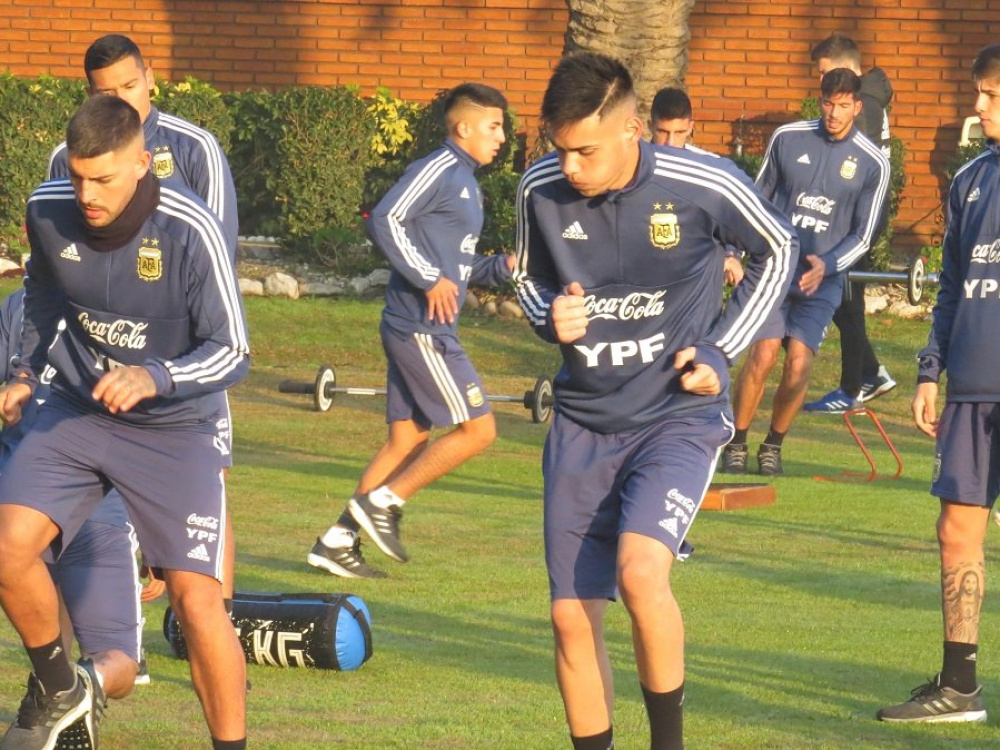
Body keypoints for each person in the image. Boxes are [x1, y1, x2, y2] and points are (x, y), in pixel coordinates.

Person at [515, 52, 796, 750]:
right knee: (570, 618)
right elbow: (527, 277)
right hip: (583, 425)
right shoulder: (539, 187)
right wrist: (547, 313)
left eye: (585, 151)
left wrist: (720, 349)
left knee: (641, 575)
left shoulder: (701, 183)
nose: (570, 166)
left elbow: (778, 250)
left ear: (632, 129)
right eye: (560, 148)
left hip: (675, 415)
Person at [0, 95, 249, 750]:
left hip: (173, 425)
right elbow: (42, 295)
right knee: (8, 545)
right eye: (78, 176)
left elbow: (233, 350)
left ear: (143, 164)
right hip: (79, 408)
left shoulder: (190, 229)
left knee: (197, 602)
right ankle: (62, 690)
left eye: (103, 178)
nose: (86, 194)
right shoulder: (48, 207)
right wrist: (25, 372)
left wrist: (154, 376)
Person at [47, 32, 241, 608]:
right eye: (105, 92)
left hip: (182, 355)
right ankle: (110, 624)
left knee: (208, 485)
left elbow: (219, 253)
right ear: (89, 94)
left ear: (150, 79)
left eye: (130, 85)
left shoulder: (194, 147)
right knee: (93, 485)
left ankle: (212, 623)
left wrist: (176, 359)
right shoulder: (67, 159)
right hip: (99, 359)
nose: (121, 100)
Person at [307, 83, 515, 579]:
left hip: (423, 327)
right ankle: (386, 503)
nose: (502, 137)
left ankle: (337, 541)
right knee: (479, 430)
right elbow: (384, 218)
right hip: (422, 329)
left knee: (407, 440)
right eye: (494, 126)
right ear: (462, 127)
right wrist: (428, 278)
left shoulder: (466, 181)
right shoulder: (439, 168)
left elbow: (455, 267)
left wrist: (500, 267)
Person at [875, 43, 1000, 724]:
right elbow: (951, 285)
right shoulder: (969, 180)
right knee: (956, 530)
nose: (978, 107)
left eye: (991, 94)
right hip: (973, 389)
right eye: (978, 92)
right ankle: (960, 687)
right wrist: (930, 371)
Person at [0, 288, 152, 750]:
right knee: (98, 653)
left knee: (118, 662)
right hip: (40, 501)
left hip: (82, 504)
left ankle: (71, 690)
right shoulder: (21, 306)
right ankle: (64, 694)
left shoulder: (136, 305)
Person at [721, 68, 890, 476]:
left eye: (843, 105)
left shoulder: (873, 163)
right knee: (763, 354)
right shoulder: (787, 138)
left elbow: (864, 236)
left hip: (823, 282)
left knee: (798, 363)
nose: (834, 113)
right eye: (828, 103)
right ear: (820, 101)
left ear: (857, 107)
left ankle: (773, 445)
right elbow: (755, 200)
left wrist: (828, 264)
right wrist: (733, 251)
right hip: (774, 269)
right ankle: (737, 442)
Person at [804, 33, 897, 413]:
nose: (821, 80)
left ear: (846, 69)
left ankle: (852, 389)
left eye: (825, 71)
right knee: (843, 302)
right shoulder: (870, 99)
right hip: (850, 217)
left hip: (857, 221)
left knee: (847, 302)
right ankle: (871, 374)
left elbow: (857, 167)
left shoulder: (865, 106)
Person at [649, 87, 745, 287]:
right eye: (663, 132)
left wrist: (731, 255)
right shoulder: (630, 168)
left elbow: (735, 221)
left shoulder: (711, 169)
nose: (670, 143)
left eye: (679, 132)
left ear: (691, 127)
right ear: (650, 126)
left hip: (696, 285)